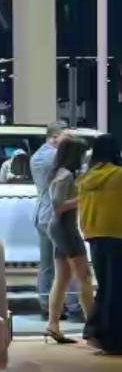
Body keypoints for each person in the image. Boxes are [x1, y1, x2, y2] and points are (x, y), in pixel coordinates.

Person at [45, 137, 93, 344]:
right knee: (84, 276)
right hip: (65, 228)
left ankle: (53, 325)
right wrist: (83, 198)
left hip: (60, 228)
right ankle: (93, 325)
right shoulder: (65, 175)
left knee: (62, 277)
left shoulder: (60, 173)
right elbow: (58, 205)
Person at [78, 134, 122, 353]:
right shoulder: (118, 175)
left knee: (105, 286)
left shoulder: (85, 178)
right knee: (117, 289)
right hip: (117, 234)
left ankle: (96, 332)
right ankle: (114, 339)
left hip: (94, 235)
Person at [31, 122, 75, 318]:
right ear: (55, 136)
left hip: (42, 213)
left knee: (46, 264)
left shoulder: (36, 156)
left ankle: (45, 303)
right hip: (56, 215)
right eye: (66, 136)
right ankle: (74, 305)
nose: (69, 140)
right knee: (67, 261)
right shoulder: (56, 157)